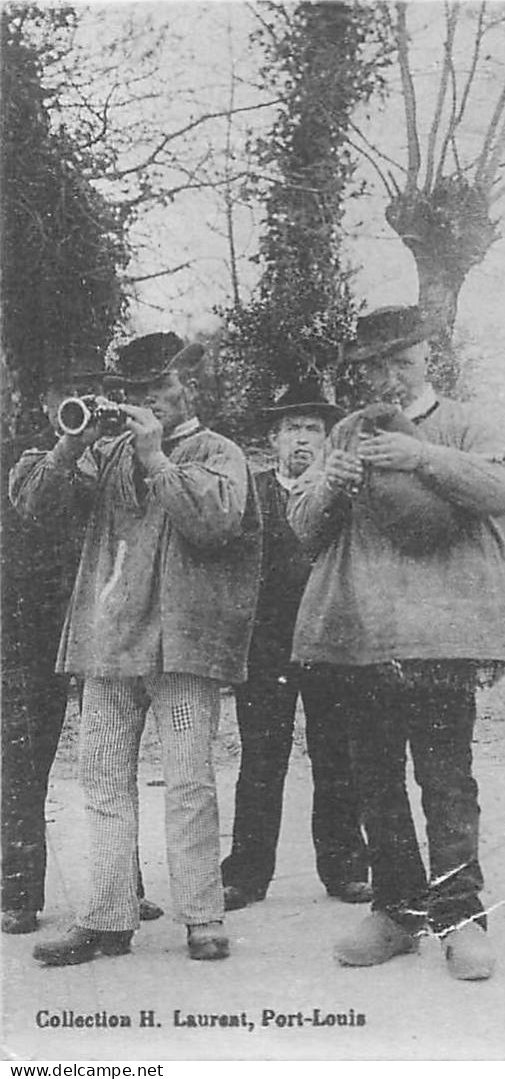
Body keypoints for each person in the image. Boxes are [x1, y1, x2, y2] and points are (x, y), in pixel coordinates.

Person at [290, 306, 505, 980]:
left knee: (446, 779)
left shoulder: (468, 423)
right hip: (362, 634)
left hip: (442, 636)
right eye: (374, 366)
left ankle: (461, 917)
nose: (389, 376)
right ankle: (396, 911)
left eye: (402, 360)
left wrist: (423, 456)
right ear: (361, 374)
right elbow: (304, 527)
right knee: (376, 781)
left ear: (428, 358)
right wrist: (331, 483)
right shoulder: (346, 431)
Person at [19, 336, 260, 966]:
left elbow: (214, 524)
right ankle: (106, 918)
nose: (145, 400)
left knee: (188, 783)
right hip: (108, 642)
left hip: (181, 646)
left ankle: (203, 917)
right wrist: (70, 444)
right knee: (101, 782)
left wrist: (155, 458)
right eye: (133, 391)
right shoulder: (107, 452)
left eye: (159, 387)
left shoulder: (219, 452)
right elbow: (35, 506)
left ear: (190, 388)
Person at [4, 355, 165, 935]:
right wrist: (72, 444)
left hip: (103, 621)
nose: (78, 403)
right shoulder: (28, 455)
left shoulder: (123, 452)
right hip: (32, 627)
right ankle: (17, 893)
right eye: (66, 393)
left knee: (111, 760)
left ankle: (122, 889)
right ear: (45, 403)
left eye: (90, 392)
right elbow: (35, 503)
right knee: (22, 763)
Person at [219, 382, 369, 911]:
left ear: (329, 440)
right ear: (273, 439)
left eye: (312, 429)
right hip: (265, 647)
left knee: (337, 756)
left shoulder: (343, 494)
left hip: (329, 640)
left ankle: (345, 869)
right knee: (261, 760)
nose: (301, 439)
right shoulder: (251, 492)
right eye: (291, 429)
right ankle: (246, 875)